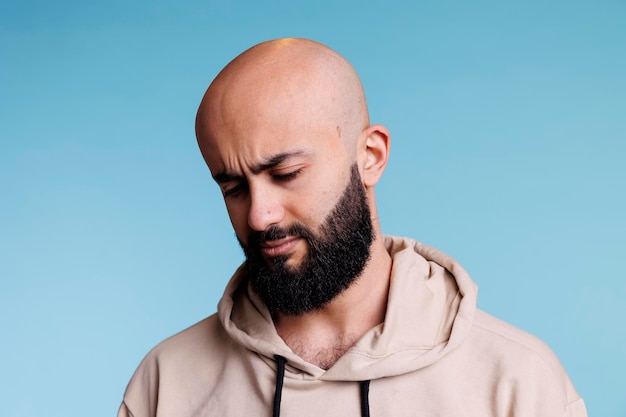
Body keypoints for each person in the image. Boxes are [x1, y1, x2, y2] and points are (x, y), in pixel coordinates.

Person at [118, 38, 587, 417]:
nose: (260, 215)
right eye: (234, 187)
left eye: (286, 175)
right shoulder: (167, 383)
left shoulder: (519, 382)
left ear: (371, 157)